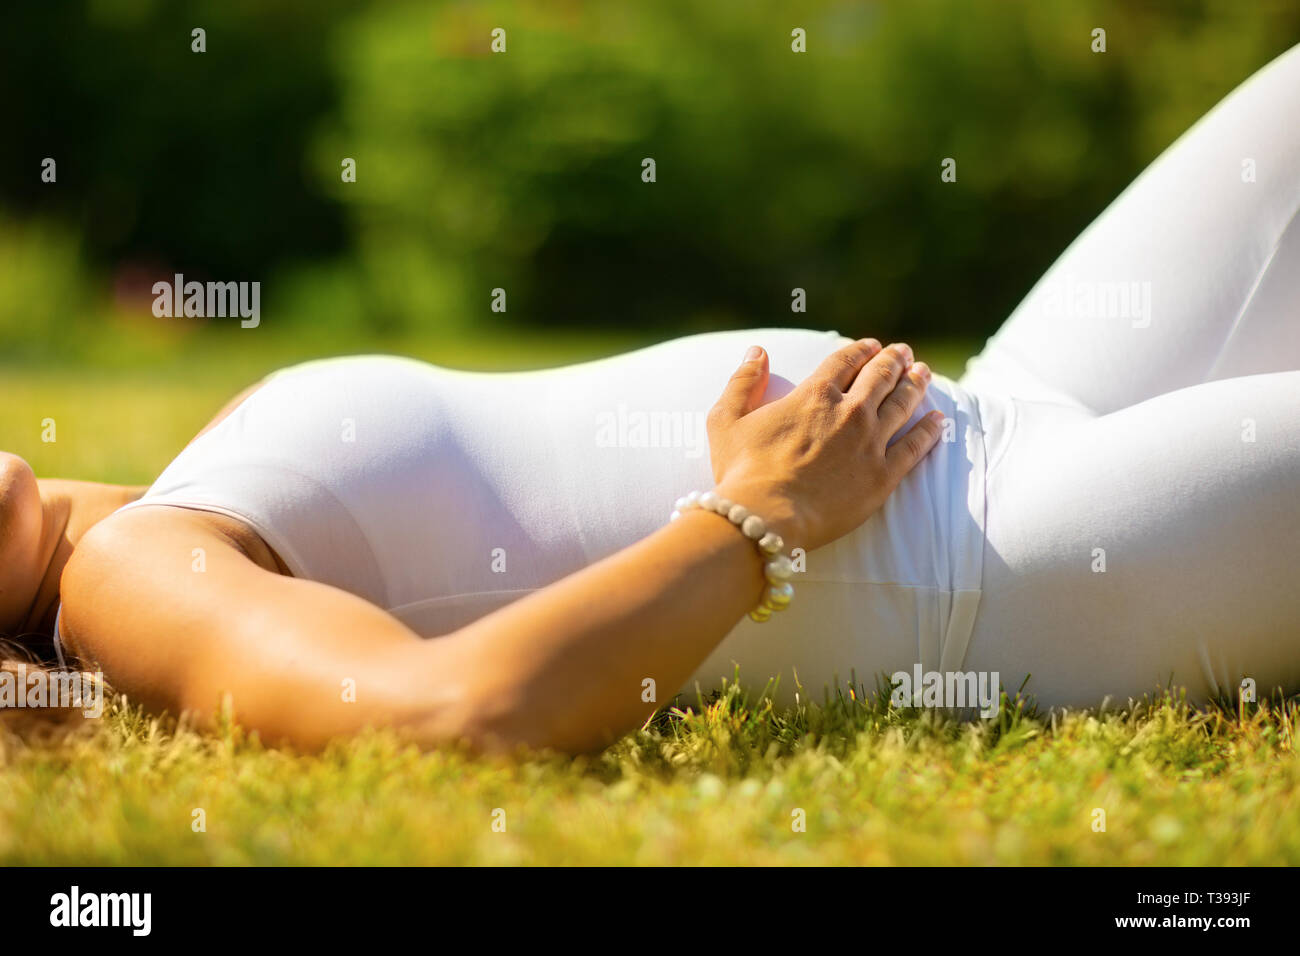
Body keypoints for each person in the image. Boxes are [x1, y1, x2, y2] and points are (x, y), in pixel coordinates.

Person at [4, 41, 1299, 754]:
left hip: (1007, 395)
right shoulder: (121, 579)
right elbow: (447, 719)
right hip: (1007, 562)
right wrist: (758, 515)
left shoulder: (176, 492)